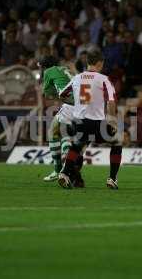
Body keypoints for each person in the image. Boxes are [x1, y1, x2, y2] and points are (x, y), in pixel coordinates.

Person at [58, 51, 122, 189]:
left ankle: (64, 173)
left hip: (78, 122)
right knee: (117, 141)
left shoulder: (77, 78)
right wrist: (112, 120)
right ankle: (112, 178)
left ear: (88, 63)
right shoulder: (104, 79)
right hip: (95, 123)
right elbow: (111, 102)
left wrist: (77, 103)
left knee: (78, 146)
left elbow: (62, 95)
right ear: (100, 63)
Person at [39, 56, 84, 187]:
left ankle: (60, 169)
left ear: (44, 66)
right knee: (67, 135)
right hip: (84, 105)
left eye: (41, 67)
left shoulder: (49, 71)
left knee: (54, 131)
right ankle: (69, 168)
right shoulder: (65, 69)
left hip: (70, 104)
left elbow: (48, 94)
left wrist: (55, 93)